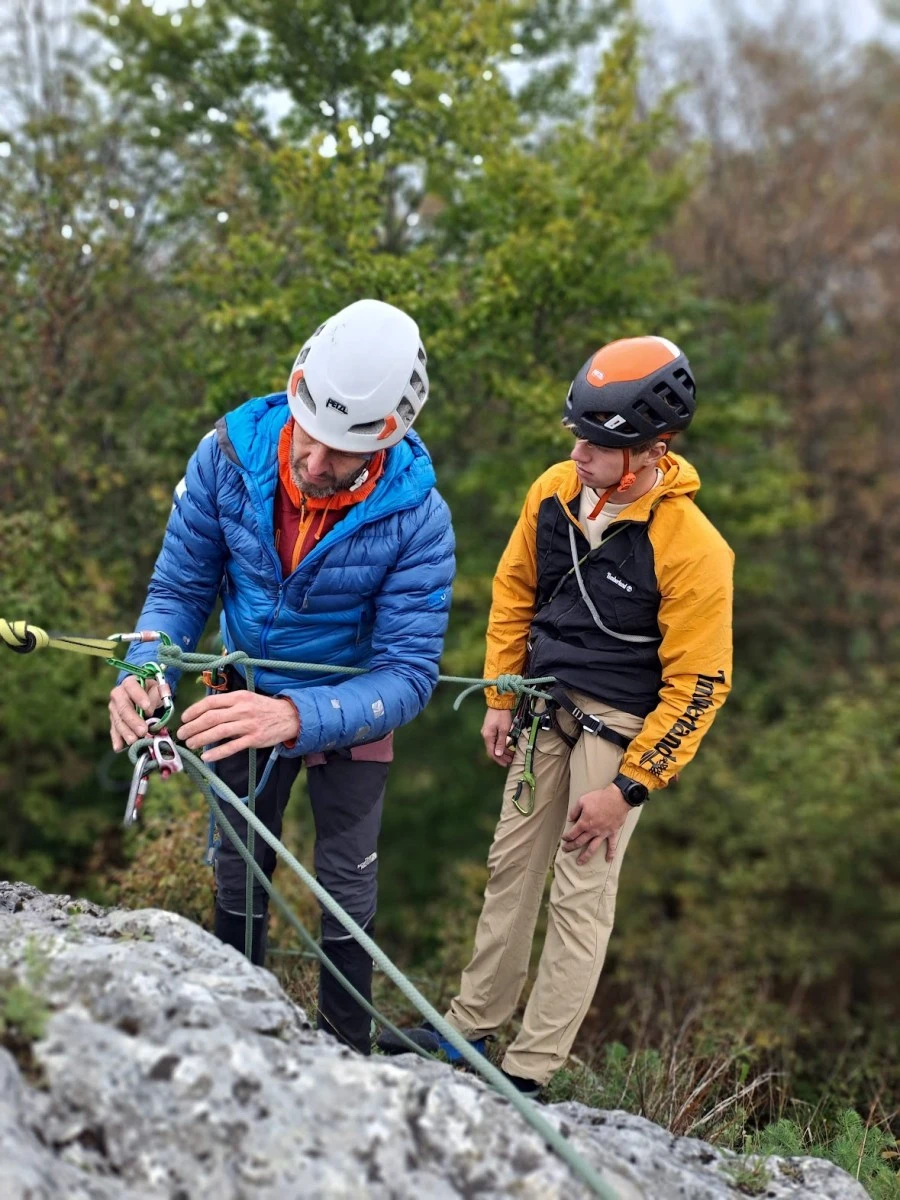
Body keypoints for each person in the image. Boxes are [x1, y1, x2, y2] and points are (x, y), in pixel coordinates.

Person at [380, 335, 733, 1093]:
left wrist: (628, 790)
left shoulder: (694, 548)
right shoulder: (553, 492)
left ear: (652, 450)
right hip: (543, 707)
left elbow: (700, 685)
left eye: (598, 444)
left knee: (579, 896)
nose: (579, 452)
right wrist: (501, 694)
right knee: (509, 869)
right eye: (577, 434)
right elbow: (514, 592)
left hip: (619, 734)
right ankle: (467, 1030)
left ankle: (530, 1069)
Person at [107, 299, 455, 1054]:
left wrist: (296, 716)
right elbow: (179, 591)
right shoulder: (226, 459)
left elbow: (408, 674)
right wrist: (146, 667)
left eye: (343, 453)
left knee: (345, 884)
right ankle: (234, 1038)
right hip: (240, 693)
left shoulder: (418, 518)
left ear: (387, 439)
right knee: (238, 867)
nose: (317, 464)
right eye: (311, 437)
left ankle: (346, 1053)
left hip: (351, 704)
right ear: (297, 391)